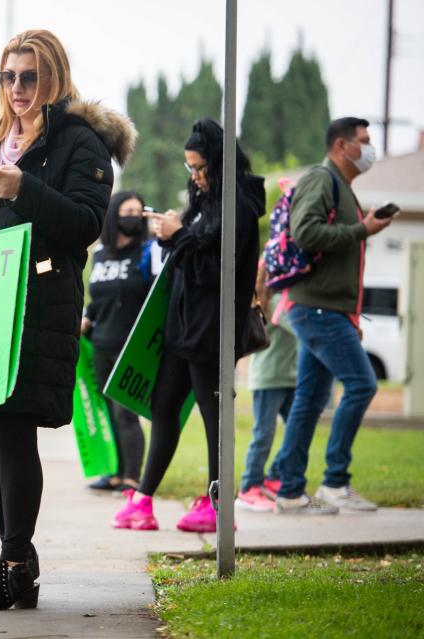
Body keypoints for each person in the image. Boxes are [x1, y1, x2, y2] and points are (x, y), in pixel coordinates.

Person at [0, 29, 136, 610]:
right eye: (9, 77)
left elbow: (86, 224)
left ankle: (14, 564)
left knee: (13, 433)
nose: (18, 89)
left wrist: (26, 188)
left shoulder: (80, 143)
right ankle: (16, 559)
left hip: (35, 303)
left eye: (30, 77)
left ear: (54, 78)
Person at [113, 118, 265, 532]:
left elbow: (219, 272)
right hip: (183, 330)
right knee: (163, 409)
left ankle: (219, 506)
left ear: (219, 164)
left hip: (212, 332)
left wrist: (179, 234)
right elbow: (190, 255)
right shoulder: (205, 202)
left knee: (214, 419)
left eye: (201, 168)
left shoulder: (240, 206)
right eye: (190, 169)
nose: (196, 177)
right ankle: (142, 500)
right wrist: (171, 234)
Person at [272, 117, 393, 514]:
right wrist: (362, 230)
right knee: (362, 384)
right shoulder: (321, 180)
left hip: (325, 308)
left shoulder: (342, 188)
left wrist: (360, 225)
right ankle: (335, 483)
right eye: (364, 141)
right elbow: (305, 232)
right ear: (343, 145)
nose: (370, 148)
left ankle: (290, 490)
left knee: (309, 399)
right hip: (316, 307)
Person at [82, 190, 152, 493]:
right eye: (128, 210)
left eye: (139, 211)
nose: (134, 216)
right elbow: (97, 299)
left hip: (130, 346)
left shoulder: (148, 252)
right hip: (100, 342)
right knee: (108, 411)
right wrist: (86, 317)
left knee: (126, 412)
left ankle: (132, 477)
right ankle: (115, 472)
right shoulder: (98, 254)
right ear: (113, 215)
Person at [236, 262, 297, 512]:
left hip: (289, 377)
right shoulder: (273, 304)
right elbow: (296, 325)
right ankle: (249, 486)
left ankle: (273, 476)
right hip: (269, 379)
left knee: (297, 429)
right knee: (263, 434)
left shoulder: (281, 300)